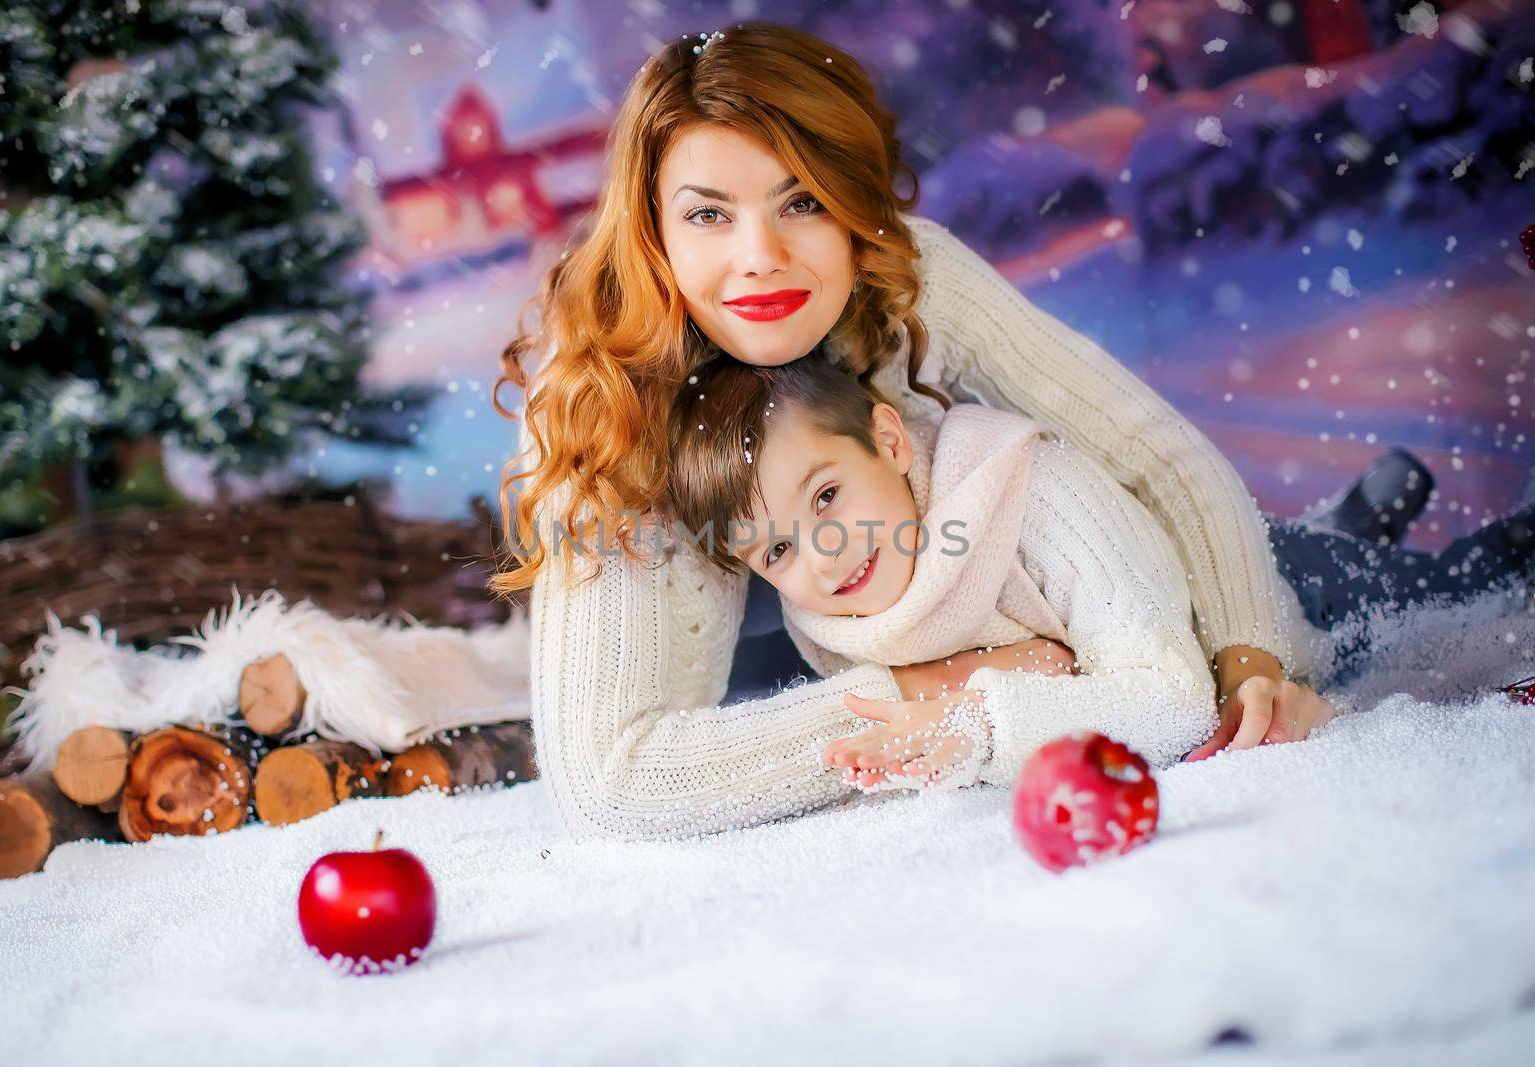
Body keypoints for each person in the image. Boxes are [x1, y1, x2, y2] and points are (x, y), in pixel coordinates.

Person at [489, 22, 1425, 839]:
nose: (760, 257)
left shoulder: (905, 278)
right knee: (784, 649)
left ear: (855, 207)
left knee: (1300, 594)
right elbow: (612, 780)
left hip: (1008, 574)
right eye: (707, 214)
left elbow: (1151, 459)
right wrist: (948, 690)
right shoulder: (601, 400)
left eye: (802, 200)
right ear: (653, 230)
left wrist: (1249, 655)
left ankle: (1329, 547)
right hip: (798, 636)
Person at [663, 352, 1534, 792]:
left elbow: (1173, 697)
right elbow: (1056, 667)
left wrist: (978, 712)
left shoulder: (1033, 495)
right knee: (1338, 547)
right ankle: (1352, 517)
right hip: (1135, 586)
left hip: (1267, 595)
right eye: (775, 549)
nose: (821, 552)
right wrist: (1029, 665)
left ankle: (1367, 538)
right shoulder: (831, 612)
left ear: (890, 442)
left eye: (826, 496)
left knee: (1461, 591)